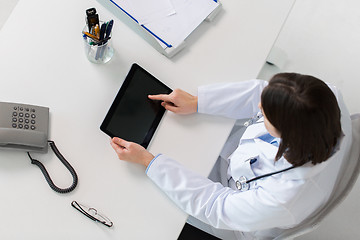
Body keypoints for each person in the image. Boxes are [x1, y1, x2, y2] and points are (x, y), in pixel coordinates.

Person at [110, 73, 352, 239]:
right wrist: (197, 102)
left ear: (286, 134)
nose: (259, 107)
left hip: (236, 213)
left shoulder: (282, 196)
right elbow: (263, 92)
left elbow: (216, 206)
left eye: (266, 115)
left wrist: (150, 162)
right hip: (237, 161)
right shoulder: (324, 97)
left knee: (139, 201)